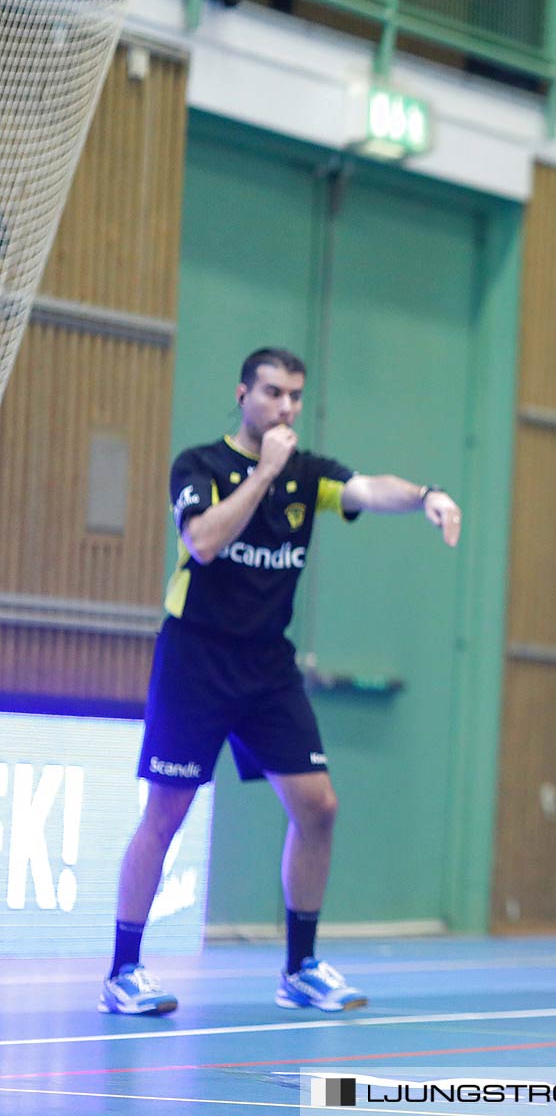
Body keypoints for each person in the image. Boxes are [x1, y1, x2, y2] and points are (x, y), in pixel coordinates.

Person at [100, 348, 464, 1017]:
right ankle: (123, 970)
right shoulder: (200, 466)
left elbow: (366, 488)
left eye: (295, 395)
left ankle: (299, 967)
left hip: (267, 665)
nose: (286, 407)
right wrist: (263, 474)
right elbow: (204, 540)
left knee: (319, 807)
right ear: (243, 394)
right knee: (166, 813)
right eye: (273, 393)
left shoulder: (308, 475)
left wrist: (425, 496)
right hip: (197, 659)